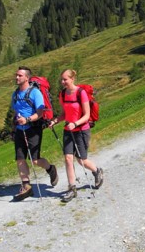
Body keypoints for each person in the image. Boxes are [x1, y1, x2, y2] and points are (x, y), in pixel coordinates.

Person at [48, 69, 103, 203]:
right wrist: (55, 121)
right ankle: (72, 188)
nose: (63, 82)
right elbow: (64, 114)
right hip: (68, 129)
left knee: (81, 160)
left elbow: (87, 115)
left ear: (72, 79)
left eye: (65, 79)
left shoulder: (81, 93)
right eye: (62, 79)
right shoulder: (63, 94)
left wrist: (75, 123)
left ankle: (97, 171)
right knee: (68, 158)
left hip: (81, 130)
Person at [11, 66, 58, 201]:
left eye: (20, 75)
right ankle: (26, 186)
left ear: (27, 78)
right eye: (16, 75)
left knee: (35, 160)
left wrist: (27, 119)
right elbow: (15, 112)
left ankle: (50, 169)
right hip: (20, 130)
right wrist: (14, 127)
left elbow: (40, 112)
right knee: (20, 158)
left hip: (33, 129)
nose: (17, 77)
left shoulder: (35, 93)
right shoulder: (15, 94)